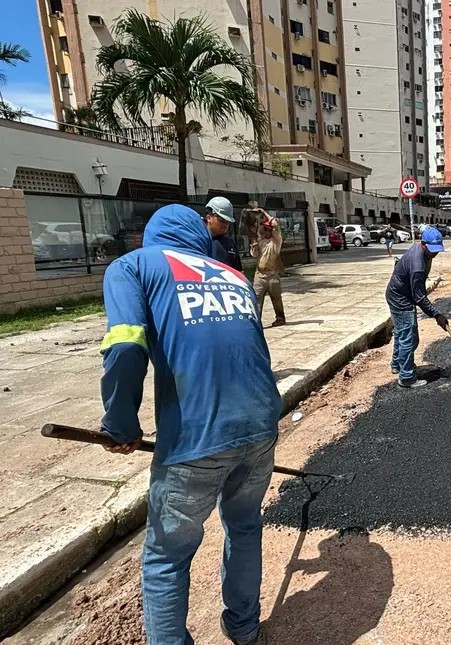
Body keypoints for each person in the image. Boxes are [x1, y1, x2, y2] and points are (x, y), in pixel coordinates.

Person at [98, 203, 281, 645]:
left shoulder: (133, 267)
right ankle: (244, 626)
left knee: (166, 556)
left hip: (196, 438)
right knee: (243, 525)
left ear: (152, 234)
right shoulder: (232, 275)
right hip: (260, 424)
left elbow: (125, 347)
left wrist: (119, 423)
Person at [386, 227, 449, 388]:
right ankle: (406, 377)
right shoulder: (417, 265)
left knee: (402, 333)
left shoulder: (424, 252)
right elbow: (419, 296)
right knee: (409, 337)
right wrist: (437, 315)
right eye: (432, 250)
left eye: (437, 250)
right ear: (423, 243)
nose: (434, 254)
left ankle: (397, 365)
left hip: (398, 293)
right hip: (401, 298)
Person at [250, 208, 286, 328]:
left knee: (276, 299)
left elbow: (275, 224)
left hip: (272, 275)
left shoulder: (276, 241)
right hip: (260, 275)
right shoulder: (261, 241)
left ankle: (280, 318)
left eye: (267, 229)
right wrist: (254, 246)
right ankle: (257, 322)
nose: (265, 231)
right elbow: (254, 255)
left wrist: (263, 212)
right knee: (257, 300)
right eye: (264, 229)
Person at [204, 196, 243, 273]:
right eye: (221, 220)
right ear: (209, 218)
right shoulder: (198, 241)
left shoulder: (230, 244)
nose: (225, 225)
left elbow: (239, 271)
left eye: (228, 221)